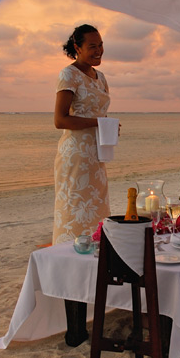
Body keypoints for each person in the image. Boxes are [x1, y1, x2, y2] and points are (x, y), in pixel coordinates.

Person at [52, 24, 112, 245]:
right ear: (77, 47)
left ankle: (96, 262)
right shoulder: (69, 74)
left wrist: (108, 127)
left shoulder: (101, 77)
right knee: (74, 211)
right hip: (75, 156)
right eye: (92, 46)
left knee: (97, 211)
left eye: (101, 45)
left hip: (97, 155)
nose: (99, 50)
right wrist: (99, 123)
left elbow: (98, 114)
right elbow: (60, 120)